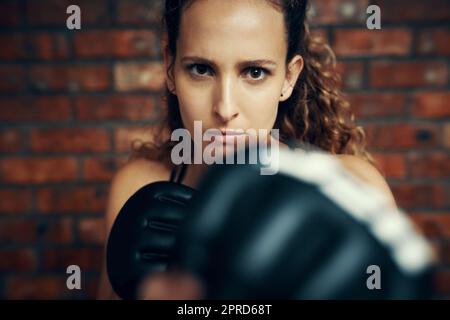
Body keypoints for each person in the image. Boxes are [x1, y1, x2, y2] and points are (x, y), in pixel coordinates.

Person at [97, 0, 397, 300]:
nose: (225, 108)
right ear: (170, 68)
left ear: (288, 78)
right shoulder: (139, 187)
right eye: (201, 69)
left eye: (254, 72)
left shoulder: (353, 189)